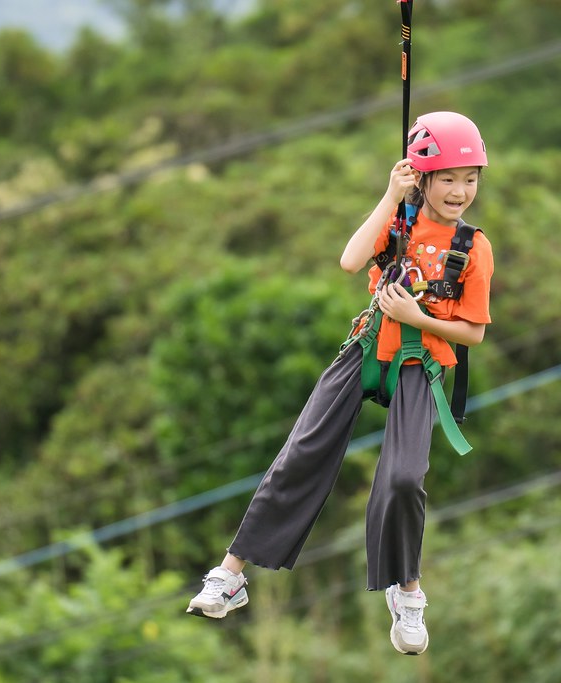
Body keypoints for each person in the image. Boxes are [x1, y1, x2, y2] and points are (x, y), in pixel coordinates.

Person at [185, 111, 494, 656]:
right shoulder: (397, 223)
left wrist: (418, 319)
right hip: (369, 349)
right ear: (422, 178)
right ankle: (231, 574)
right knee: (304, 450)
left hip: (422, 365)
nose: (460, 190)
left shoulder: (473, 248)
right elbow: (351, 261)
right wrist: (390, 194)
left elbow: (472, 333)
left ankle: (408, 593)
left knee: (403, 478)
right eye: (447, 177)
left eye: (469, 178)